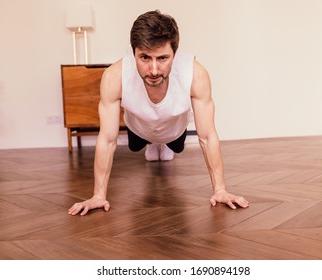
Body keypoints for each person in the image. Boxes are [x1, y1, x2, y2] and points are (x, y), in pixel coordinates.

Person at [68, 10, 249, 216]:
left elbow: (207, 136)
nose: (153, 70)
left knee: (175, 147)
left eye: (162, 58)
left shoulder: (195, 74)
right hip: (138, 128)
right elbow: (107, 140)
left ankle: (162, 146)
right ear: (133, 52)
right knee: (136, 146)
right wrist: (98, 195)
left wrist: (220, 190)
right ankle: (152, 145)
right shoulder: (114, 76)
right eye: (144, 57)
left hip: (174, 130)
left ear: (175, 53)